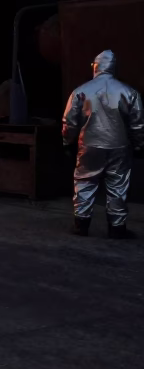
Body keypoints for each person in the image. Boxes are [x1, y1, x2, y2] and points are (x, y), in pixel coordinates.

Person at [63, 50, 144, 238]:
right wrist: (139, 145)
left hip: (89, 145)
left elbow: (69, 121)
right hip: (119, 146)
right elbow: (138, 123)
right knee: (118, 184)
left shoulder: (81, 91)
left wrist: (67, 142)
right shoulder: (129, 92)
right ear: (114, 67)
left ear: (95, 66)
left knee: (84, 181)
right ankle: (117, 228)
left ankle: (81, 224)